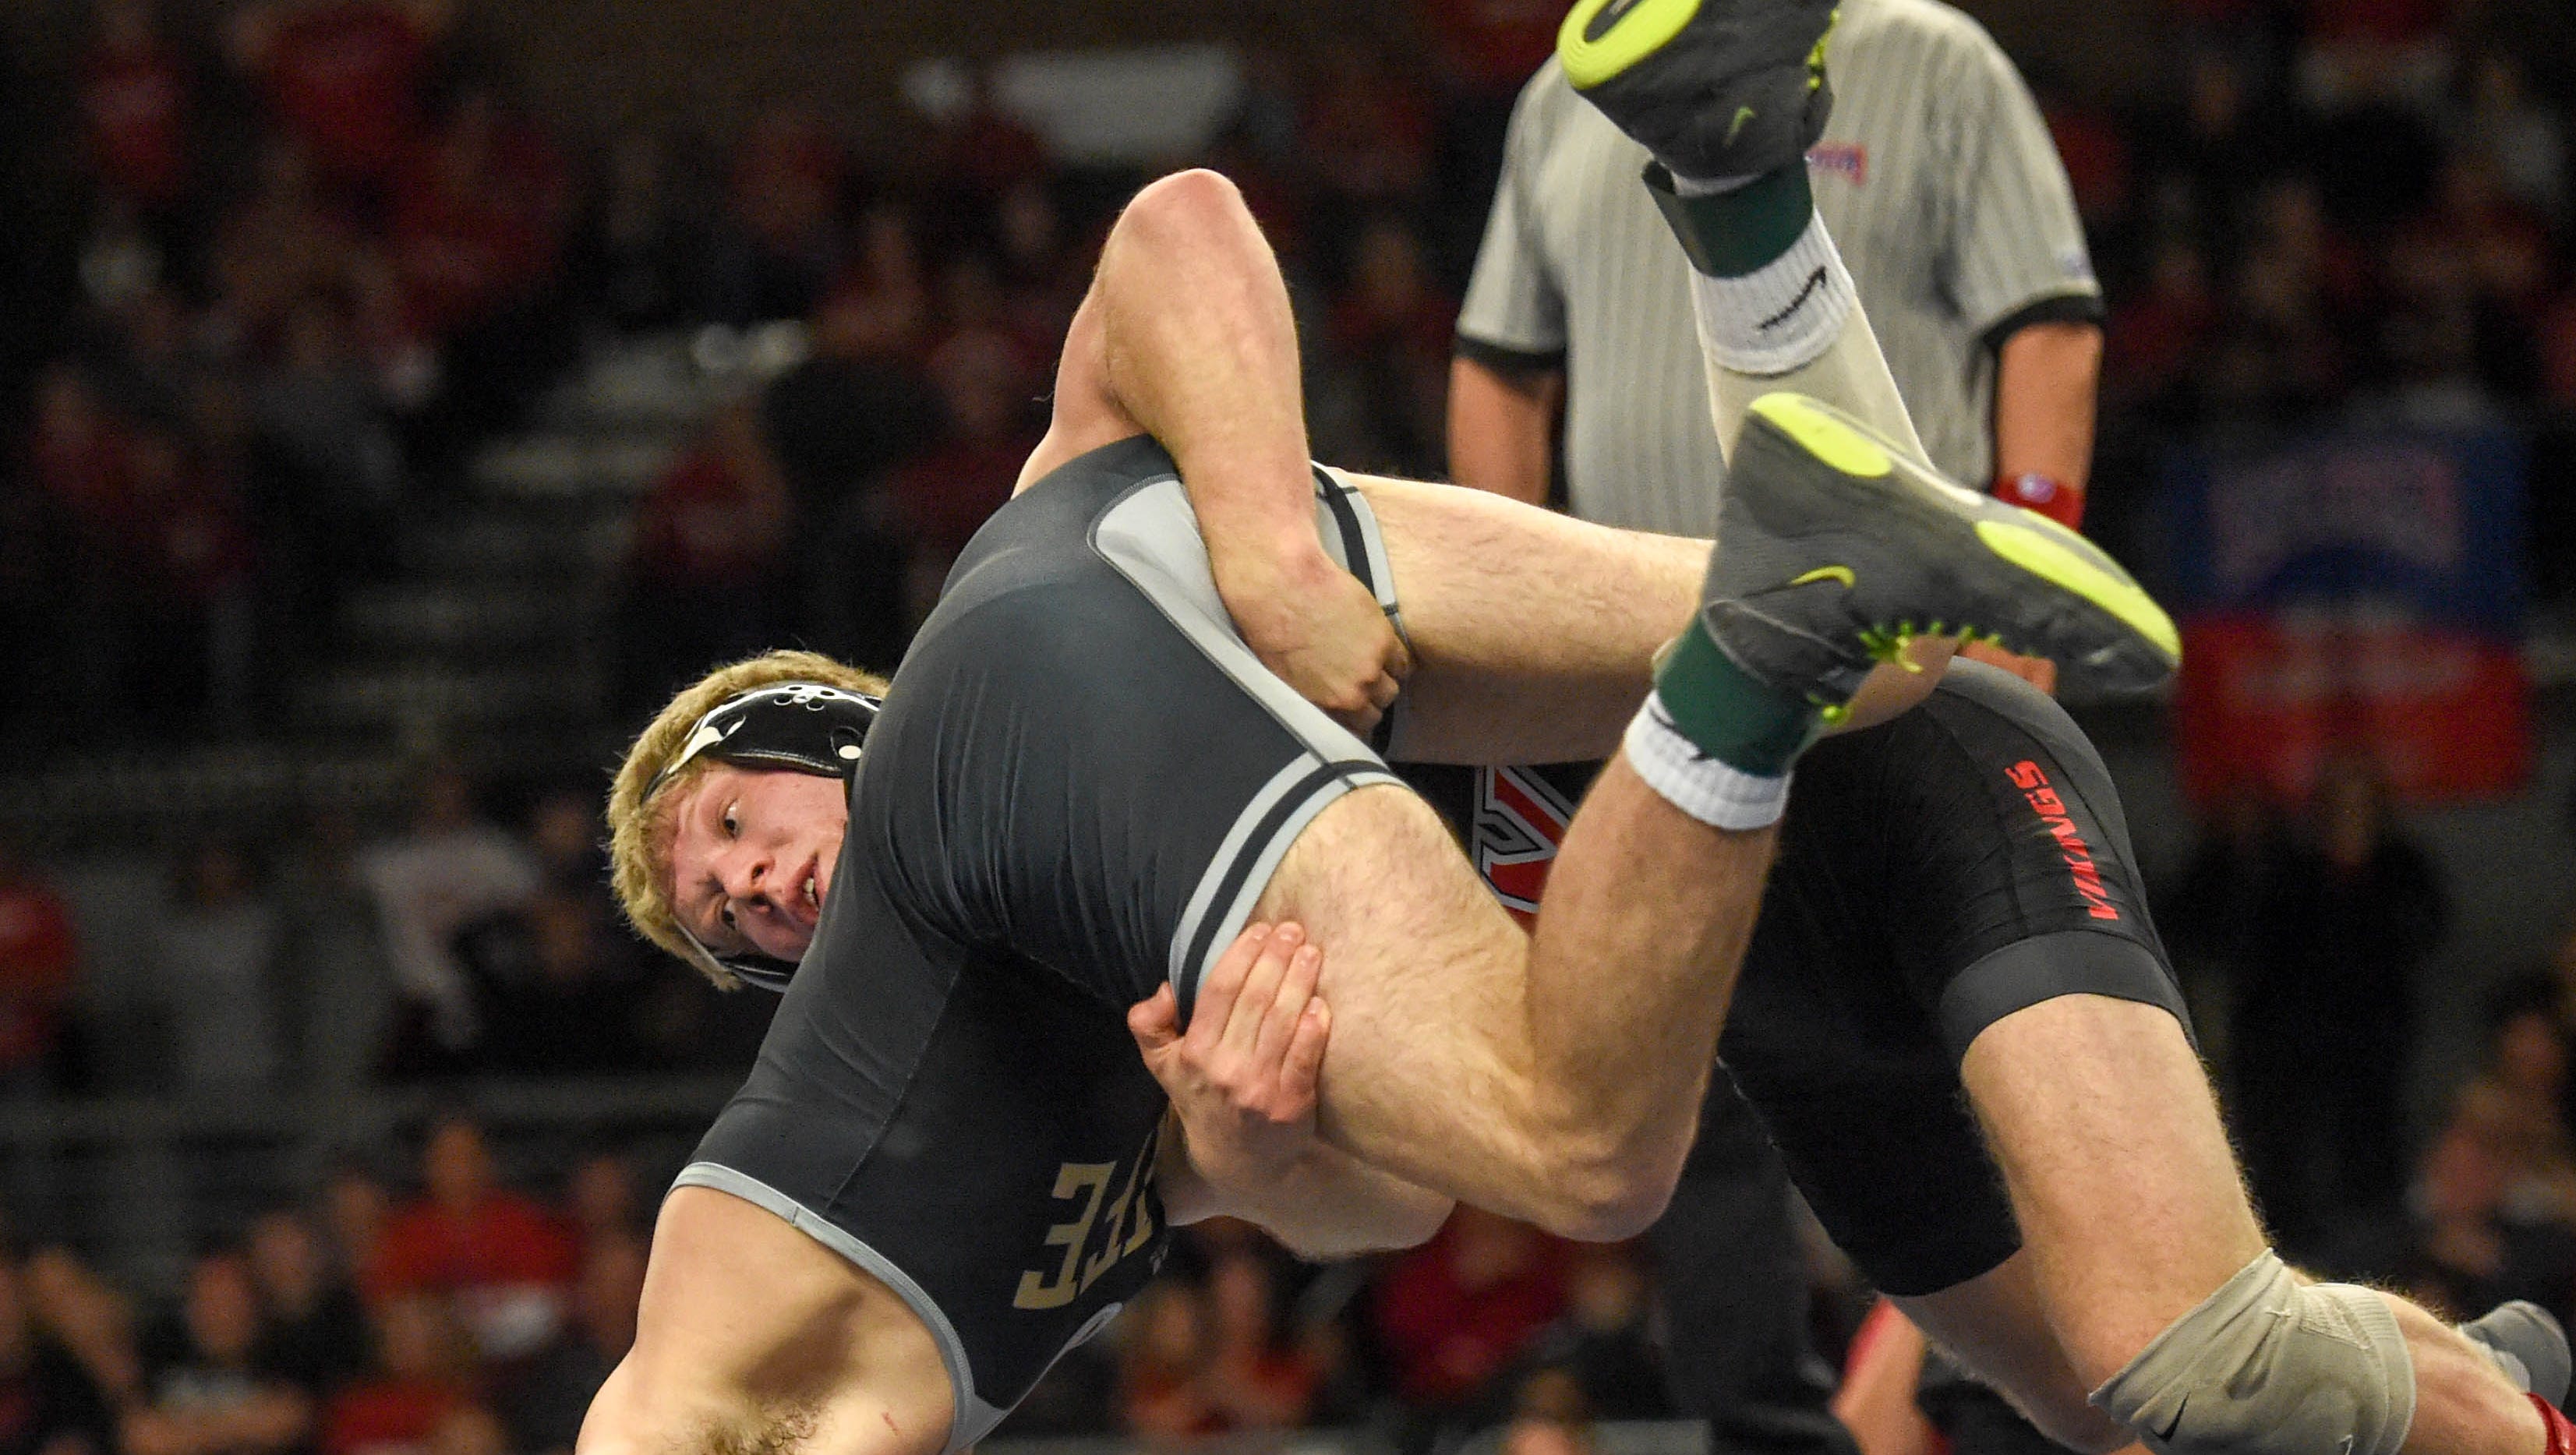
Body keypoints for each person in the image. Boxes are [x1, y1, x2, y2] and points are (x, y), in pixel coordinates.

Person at [578, 139, 2178, 1455]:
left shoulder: (970, 760)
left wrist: (1269, 548)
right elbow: (1402, 1198)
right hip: (1263, 625)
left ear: (823, 730)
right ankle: (1745, 176)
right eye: (728, 920)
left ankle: (1739, 655)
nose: (758, 889)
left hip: (1174, 637)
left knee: (1598, 1151)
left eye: (733, 826)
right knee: (1888, 654)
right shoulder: (1073, 1022)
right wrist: (1258, 1158)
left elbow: (1172, 222)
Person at [1447, 2, 2104, 1446]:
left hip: (1893, 671)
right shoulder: (1569, 87)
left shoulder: (1929, 57)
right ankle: (1774, 1435)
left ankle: (2017, 1399)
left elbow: (2044, 328)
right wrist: (1522, 604)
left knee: (1994, 1061)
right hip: (1655, 676)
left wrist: (2025, 576)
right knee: (1690, 1099)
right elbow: (1498, 362)